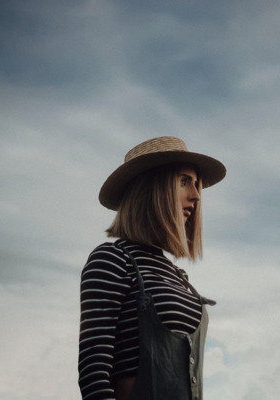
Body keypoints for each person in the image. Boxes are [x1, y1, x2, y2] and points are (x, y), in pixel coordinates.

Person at [78, 136, 226, 400]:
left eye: (196, 184)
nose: (195, 196)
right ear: (151, 188)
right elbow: (94, 371)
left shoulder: (179, 278)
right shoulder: (113, 259)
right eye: (183, 181)